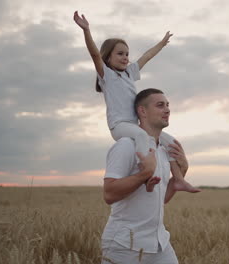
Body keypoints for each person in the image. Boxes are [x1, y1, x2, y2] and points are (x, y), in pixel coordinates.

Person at [73, 11, 199, 193]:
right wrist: (86, 30)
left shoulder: (130, 74)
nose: (125, 57)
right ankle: (146, 173)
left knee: (170, 142)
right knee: (142, 137)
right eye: (120, 54)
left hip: (136, 125)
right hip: (119, 125)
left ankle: (178, 180)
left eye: (127, 54)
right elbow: (94, 54)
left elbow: (146, 57)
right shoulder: (107, 76)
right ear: (108, 57)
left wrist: (162, 44)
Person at [101, 88, 187, 264]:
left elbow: (160, 200)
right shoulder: (126, 146)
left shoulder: (163, 151)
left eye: (168, 105)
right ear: (142, 111)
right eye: (160, 105)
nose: (167, 109)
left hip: (159, 244)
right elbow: (109, 194)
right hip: (124, 245)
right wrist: (145, 174)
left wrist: (182, 173)